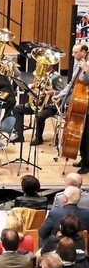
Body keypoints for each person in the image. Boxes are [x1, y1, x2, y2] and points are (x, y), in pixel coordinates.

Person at [53, 44, 89, 173]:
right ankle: (84, 159)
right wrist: (61, 96)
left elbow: (86, 80)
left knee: (86, 136)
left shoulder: (86, 65)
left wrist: (87, 70)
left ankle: (87, 163)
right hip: (80, 101)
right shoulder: (77, 63)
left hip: (87, 103)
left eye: (75, 52)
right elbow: (72, 83)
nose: (73, 55)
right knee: (81, 134)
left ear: (84, 52)